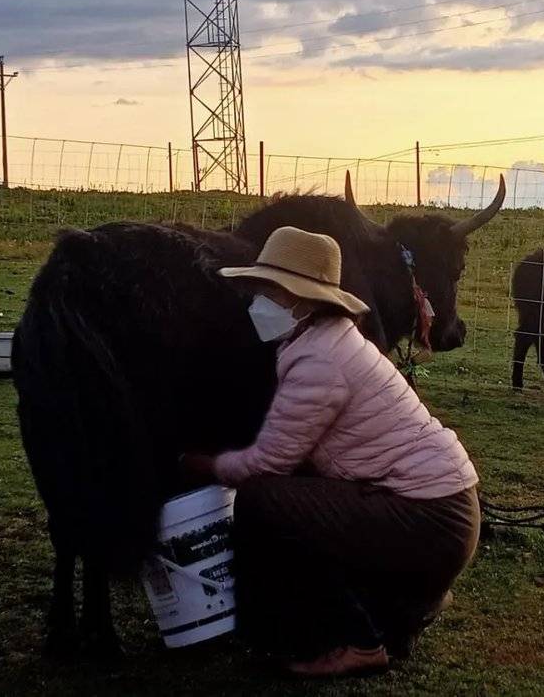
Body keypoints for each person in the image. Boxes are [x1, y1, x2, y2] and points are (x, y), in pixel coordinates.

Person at [181, 225, 480, 678]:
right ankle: (398, 610)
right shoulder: (328, 342)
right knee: (304, 498)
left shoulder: (320, 361)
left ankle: (360, 641)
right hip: (441, 508)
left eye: (270, 293)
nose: (258, 303)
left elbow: (267, 464)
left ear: (303, 300)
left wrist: (206, 464)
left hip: (431, 519)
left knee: (266, 500)